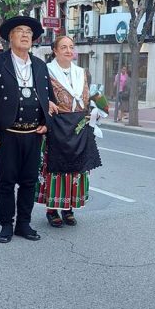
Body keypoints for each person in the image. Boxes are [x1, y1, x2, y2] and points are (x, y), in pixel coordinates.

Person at [0, 16, 55, 244]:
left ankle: (24, 223)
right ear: (10, 37)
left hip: (33, 135)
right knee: (6, 181)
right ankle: (6, 224)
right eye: (20, 31)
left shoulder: (40, 66)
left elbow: (48, 98)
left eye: (29, 33)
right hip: (7, 134)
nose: (25, 35)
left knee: (29, 181)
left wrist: (46, 122)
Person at [36, 35, 101, 227]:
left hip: (79, 125)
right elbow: (36, 94)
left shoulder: (82, 73)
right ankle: (51, 209)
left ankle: (68, 207)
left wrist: (96, 111)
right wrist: (46, 102)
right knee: (54, 168)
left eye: (71, 47)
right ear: (54, 50)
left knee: (76, 168)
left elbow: (93, 97)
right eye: (63, 47)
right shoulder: (45, 71)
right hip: (57, 125)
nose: (68, 50)